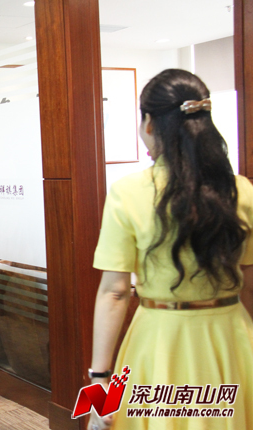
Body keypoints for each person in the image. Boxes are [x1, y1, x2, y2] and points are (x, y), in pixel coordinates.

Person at [88, 69, 253, 430]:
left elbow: (115, 293)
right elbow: (250, 285)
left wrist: (100, 379)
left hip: (159, 340)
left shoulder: (128, 192)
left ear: (149, 123)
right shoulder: (241, 190)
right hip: (232, 338)